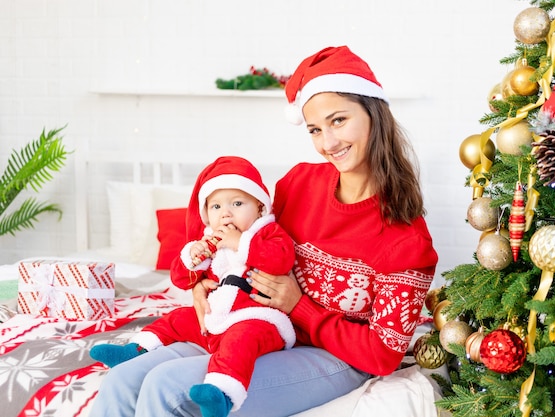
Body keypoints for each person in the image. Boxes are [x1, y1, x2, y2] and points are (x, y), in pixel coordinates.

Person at [89, 45, 438, 417]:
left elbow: (383, 354)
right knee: (121, 380)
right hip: (255, 327)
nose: (328, 143)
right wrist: (199, 283)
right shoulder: (298, 183)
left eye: (339, 121)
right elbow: (242, 236)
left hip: (336, 356)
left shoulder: (407, 238)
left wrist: (299, 307)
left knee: (170, 388)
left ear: (373, 114)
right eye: (315, 129)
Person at [90, 156, 296, 417]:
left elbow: (281, 259)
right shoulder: (209, 242)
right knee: (177, 318)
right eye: (216, 206)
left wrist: (239, 242)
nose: (226, 213)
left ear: (259, 207)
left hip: (258, 319)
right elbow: (178, 278)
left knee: (240, 342)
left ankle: (220, 394)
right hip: (214, 320)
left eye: (237, 203)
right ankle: (136, 350)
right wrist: (193, 258)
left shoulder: (267, 234)